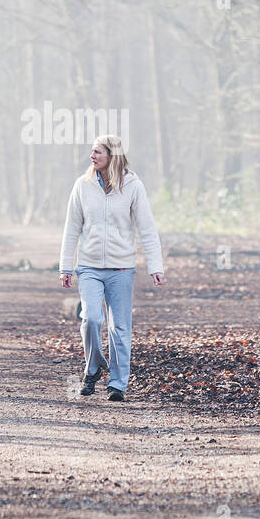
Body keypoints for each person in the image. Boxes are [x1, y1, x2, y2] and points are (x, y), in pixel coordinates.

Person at [59, 134, 164, 402]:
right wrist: (65, 267)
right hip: (90, 266)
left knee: (120, 328)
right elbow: (72, 228)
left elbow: (147, 228)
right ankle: (93, 367)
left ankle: (117, 383)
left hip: (122, 268)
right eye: (92, 152)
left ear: (112, 156)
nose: (92, 156)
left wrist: (155, 265)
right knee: (91, 319)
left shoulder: (132, 185)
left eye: (98, 152)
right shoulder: (82, 186)